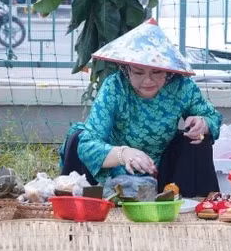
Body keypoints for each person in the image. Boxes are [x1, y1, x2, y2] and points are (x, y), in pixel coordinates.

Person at [60, 19, 222, 198]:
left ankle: (199, 203)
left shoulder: (182, 86)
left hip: (162, 170)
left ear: (168, 70)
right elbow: (88, 144)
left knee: (198, 140)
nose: (148, 81)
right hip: (113, 166)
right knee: (77, 139)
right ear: (126, 69)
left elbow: (212, 117)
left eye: (157, 72)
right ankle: (80, 203)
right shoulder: (115, 87)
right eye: (138, 72)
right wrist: (124, 154)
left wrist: (203, 123)